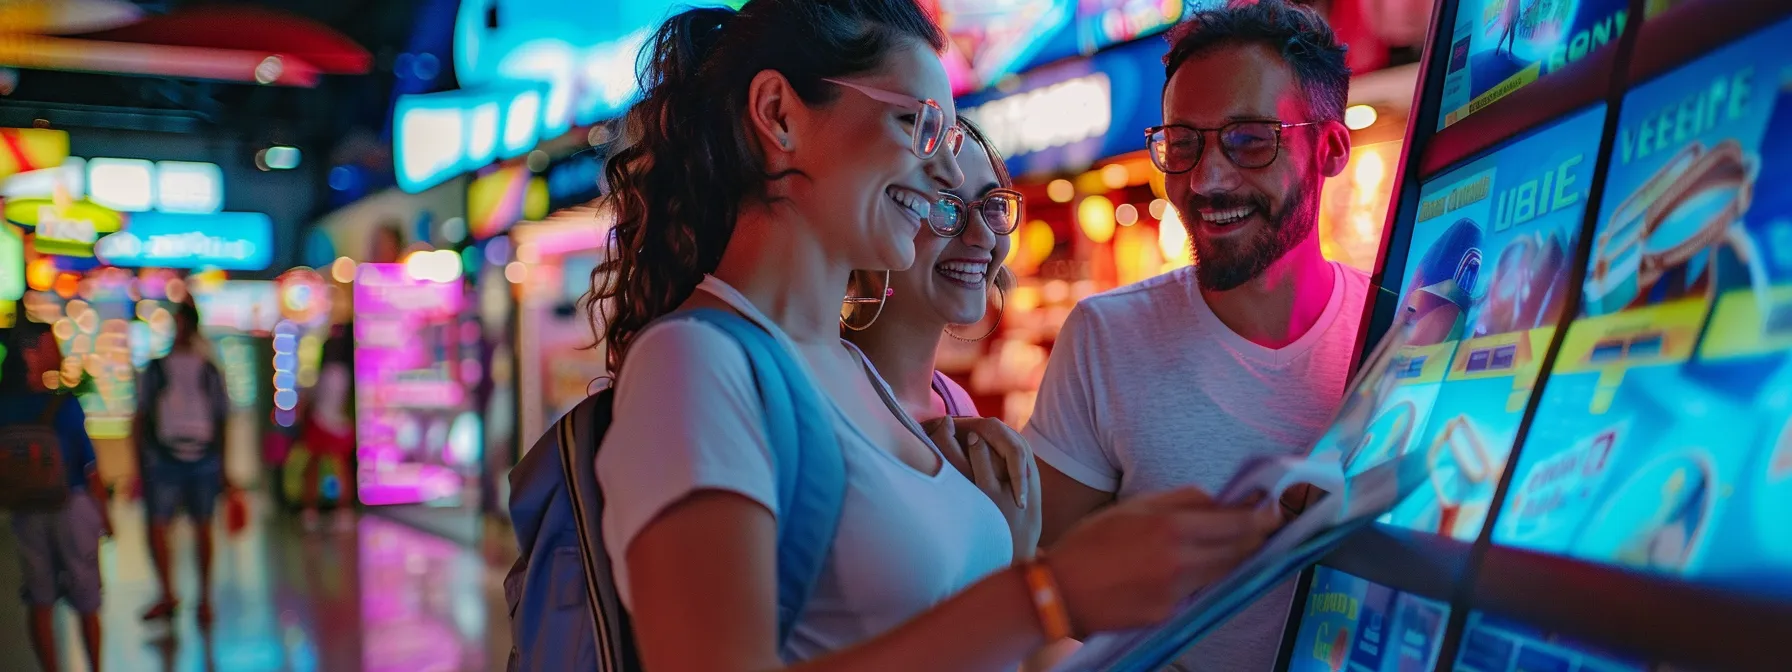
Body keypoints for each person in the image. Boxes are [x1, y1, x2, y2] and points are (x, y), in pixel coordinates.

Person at [585, 1, 1280, 670]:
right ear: (778, 115)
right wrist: (1051, 592)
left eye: (949, 140)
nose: (946, 174)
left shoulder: (863, 381)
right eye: (918, 126)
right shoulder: (697, 362)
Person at [1026, 2, 1369, 669]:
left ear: (1329, 150)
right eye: (1183, 143)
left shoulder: (1399, 333)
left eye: (1249, 139)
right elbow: (1045, 599)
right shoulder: (1105, 338)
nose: (1207, 179)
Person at [2, 321, 110, 672]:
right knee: (87, 598)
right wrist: (104, 515)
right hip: (70, 505)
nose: (59, 353)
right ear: (31, 354)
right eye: (51, 346)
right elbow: (89, 468)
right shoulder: (63, 406)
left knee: (39, 597)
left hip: (25, 510)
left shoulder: (4, 408)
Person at [135, 300, 232, 624]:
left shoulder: (203, 369)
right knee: (172, 526)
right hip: (173, 458)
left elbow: (221, 418)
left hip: (190, 458)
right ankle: (174, 593)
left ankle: (193, 596)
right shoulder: (177, 369)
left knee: (193, 526)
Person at [297, 326, 356, 531]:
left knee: (314, 467)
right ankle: (342, 511)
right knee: (340, 469)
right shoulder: (347, 373)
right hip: (339, 425)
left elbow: (311, 399)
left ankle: (310, 511)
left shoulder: (325, 374)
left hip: (321, 424)